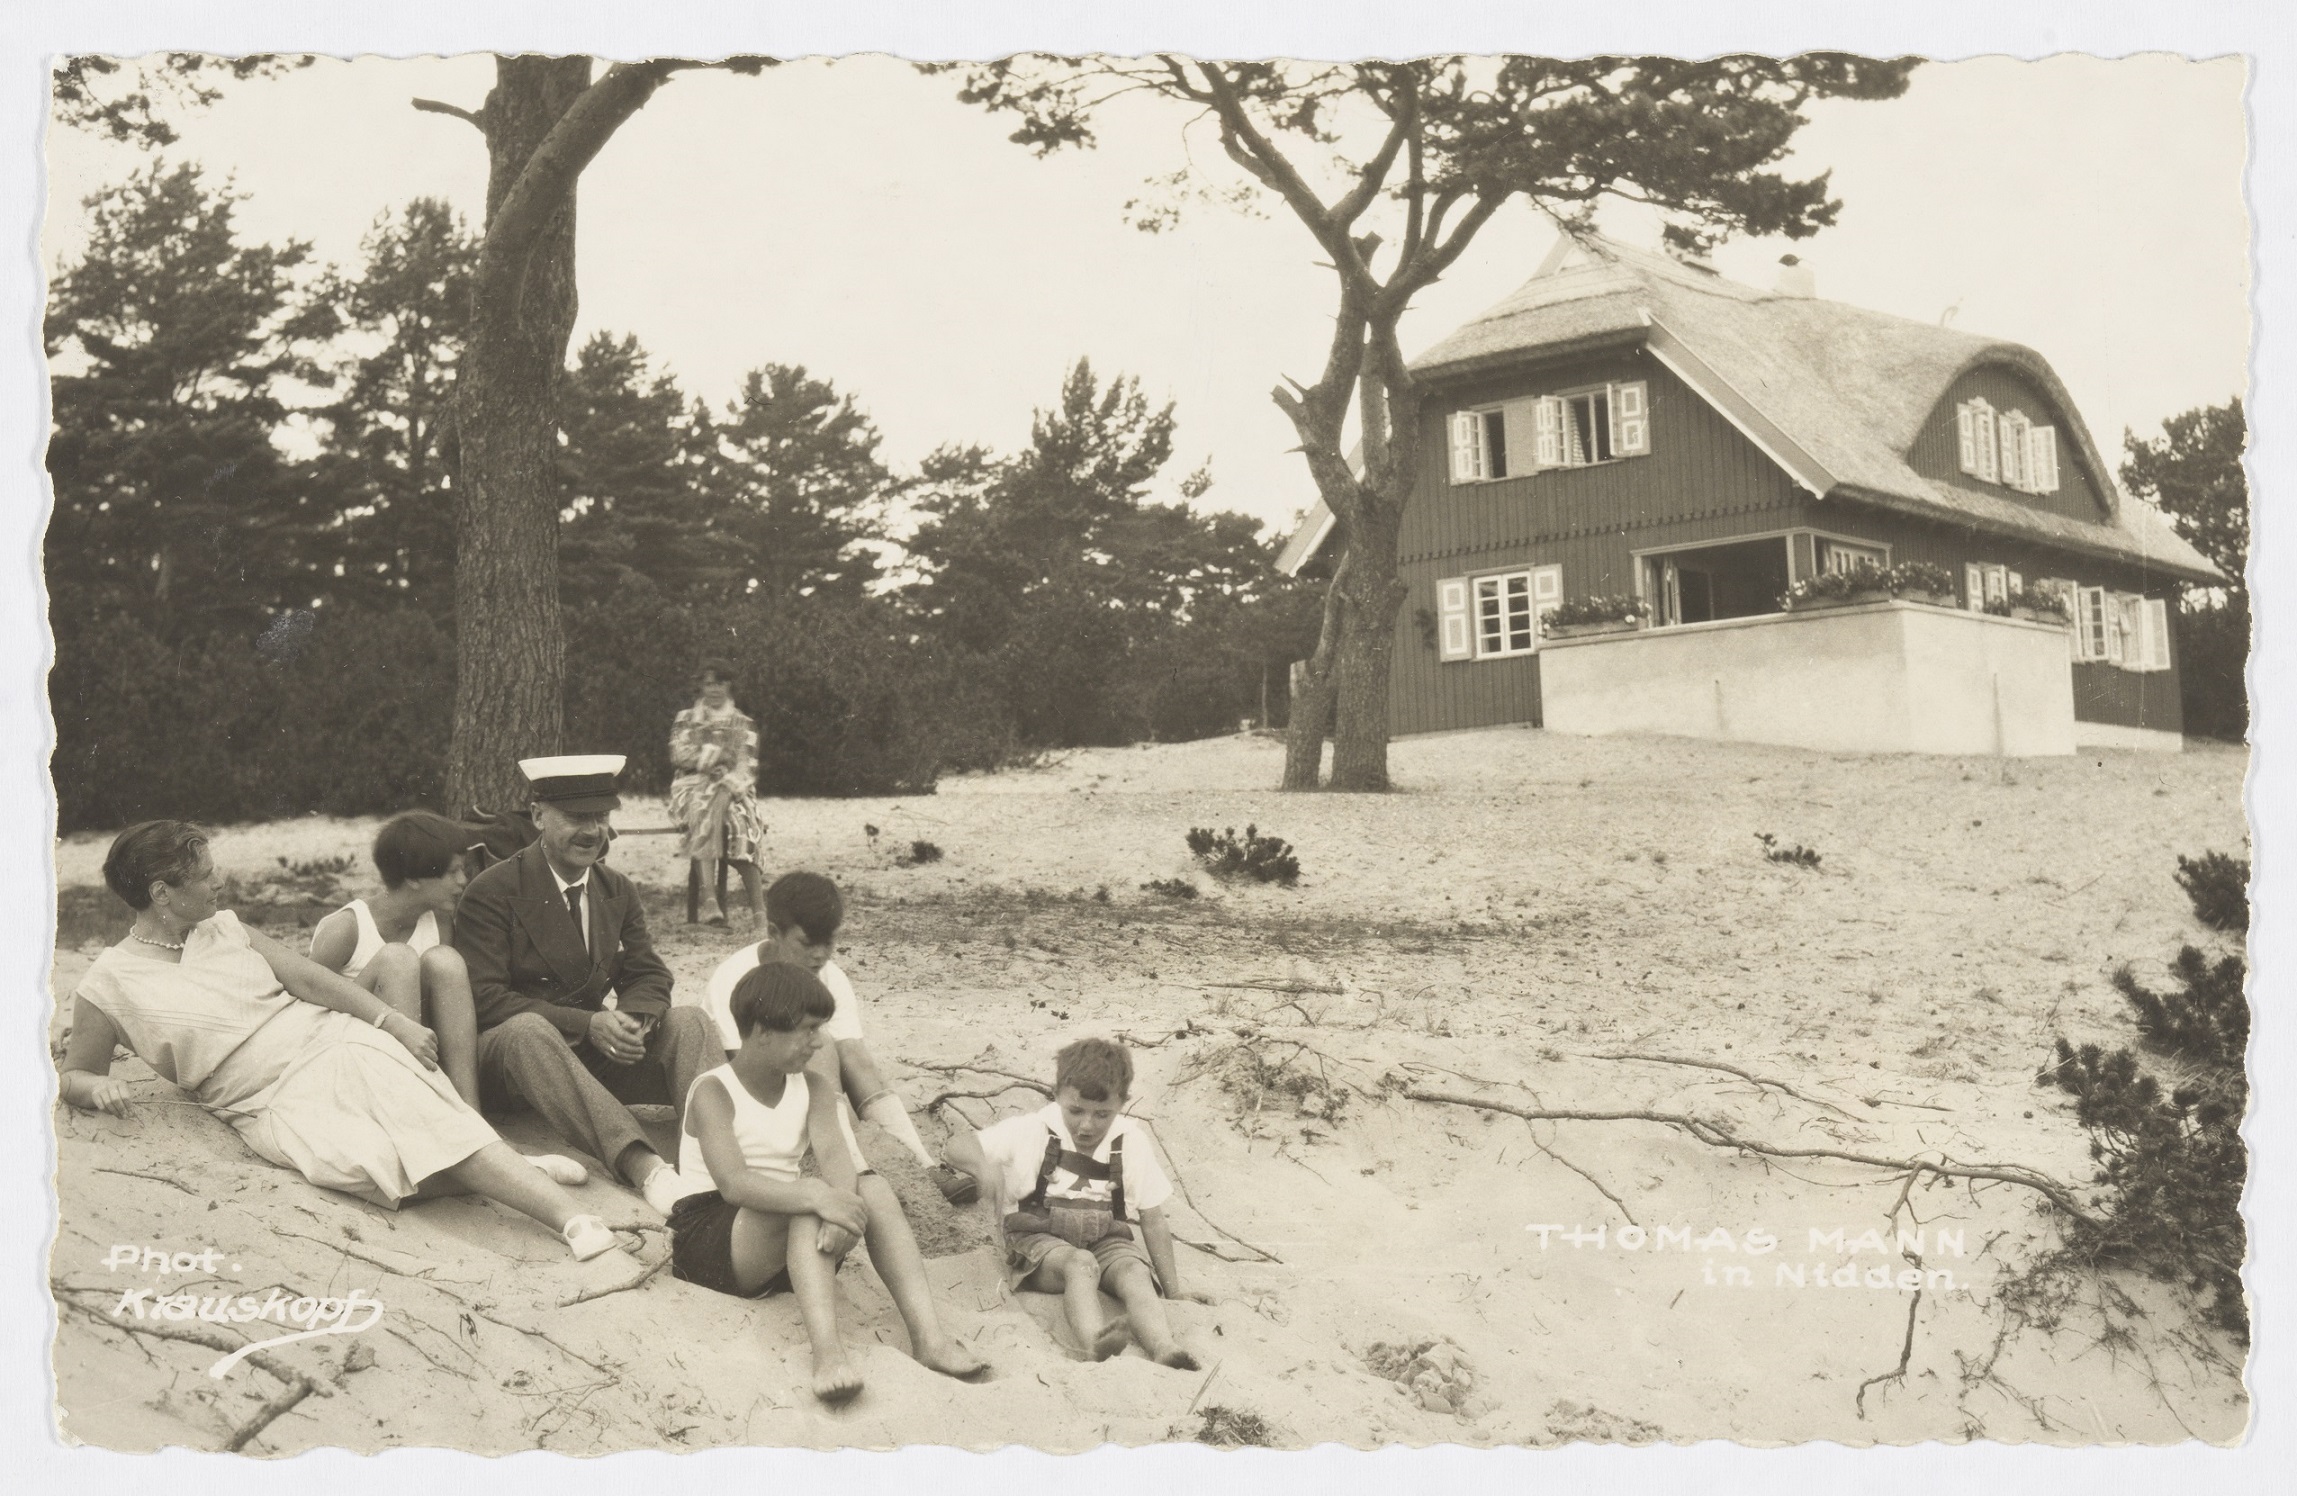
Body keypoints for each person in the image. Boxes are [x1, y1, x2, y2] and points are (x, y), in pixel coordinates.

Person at [58, 821, 625, 1263]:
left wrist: (390, 1021)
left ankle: (571, 1219)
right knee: (365, 1172)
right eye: (205, 876)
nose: (219, 883)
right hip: (257, 1100)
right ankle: (512, 1168)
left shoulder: (225, 927)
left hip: (329, 1043)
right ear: (162, 892)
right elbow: (76, 1073)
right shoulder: (108, 983)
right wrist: (93, 1088)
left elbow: (309, 980)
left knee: (420, 1123)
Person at [669, 963, 987, 1404]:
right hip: (713, 1239)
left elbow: (838, 1159)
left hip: (782, 1240)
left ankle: (929, 1338)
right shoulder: (713, 1090)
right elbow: (734, 1185)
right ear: (762, 1031)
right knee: (807, 1205)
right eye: (807, 1030)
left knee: (874, 1188)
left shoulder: (814, 1087)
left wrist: (840, 1207)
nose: (819, 1042)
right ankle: (828, 1355)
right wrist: (820, 1196)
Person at [452, 755, 722, 1217]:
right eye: (577, 818)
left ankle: (711, 1165)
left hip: (588, 1056)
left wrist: (635, 1019)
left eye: (601, 817)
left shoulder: (615, 888)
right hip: (512, 1065)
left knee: (690, 1022)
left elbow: (648, 971)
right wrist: (589, 1023)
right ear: (538, 816)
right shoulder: (493, 890)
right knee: (528, 1031)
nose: (592, 831)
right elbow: (485, 999)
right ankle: (646, 1169)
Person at [701, 872, 969, 1202]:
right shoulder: (736, 977)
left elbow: (853, 1055)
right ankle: (856, 1166)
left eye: (828, 943)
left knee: (854, 1054)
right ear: (774, 932)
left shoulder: (829, 975)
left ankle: (923, 1164)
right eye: (806, 943)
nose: (819, 955)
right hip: (751, 1096)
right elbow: (743, 1064)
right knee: (821, 1043)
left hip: (808, 1085)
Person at [944, 1038, 1205, 1367]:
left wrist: (1173, 1290)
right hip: (1039, 1244)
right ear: (1057, 1095)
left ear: (1122, 1103)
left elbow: (1153, 1219)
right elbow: (957, 1146)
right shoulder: (1033, 1129)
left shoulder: (1131, 1141)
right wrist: (983, 1168)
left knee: (1134, 1271)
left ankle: (1163, 1346)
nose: (1086, 1125)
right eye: (1076, 1110)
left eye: (1102, 1114)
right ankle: (1095, 1346)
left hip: (1105, 1239)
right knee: (1080, 1264)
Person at [307, 811, 485, 1109]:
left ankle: (470, 1111)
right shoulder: (346, 927)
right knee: (397, 958)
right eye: (452, 872)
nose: (463, 881)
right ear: (413, 878)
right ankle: (413, 1108)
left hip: (419, 1050)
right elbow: (306, 1006)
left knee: (446, 961)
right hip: (350, 1053)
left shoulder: (440, 922)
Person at [668, 659, 767, 930]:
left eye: (720, 683)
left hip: (734, 790)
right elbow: (679, 755)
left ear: (729, 685)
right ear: (701, 686)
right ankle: (710, 900)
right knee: (703, 807)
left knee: (742, 824)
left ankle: (759, 912)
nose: (714, 689)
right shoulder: (686, 719)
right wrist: (720, 755)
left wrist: (725, 787)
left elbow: (747, 766)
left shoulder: (743, 723)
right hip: (691, 786)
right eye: (708, 683)